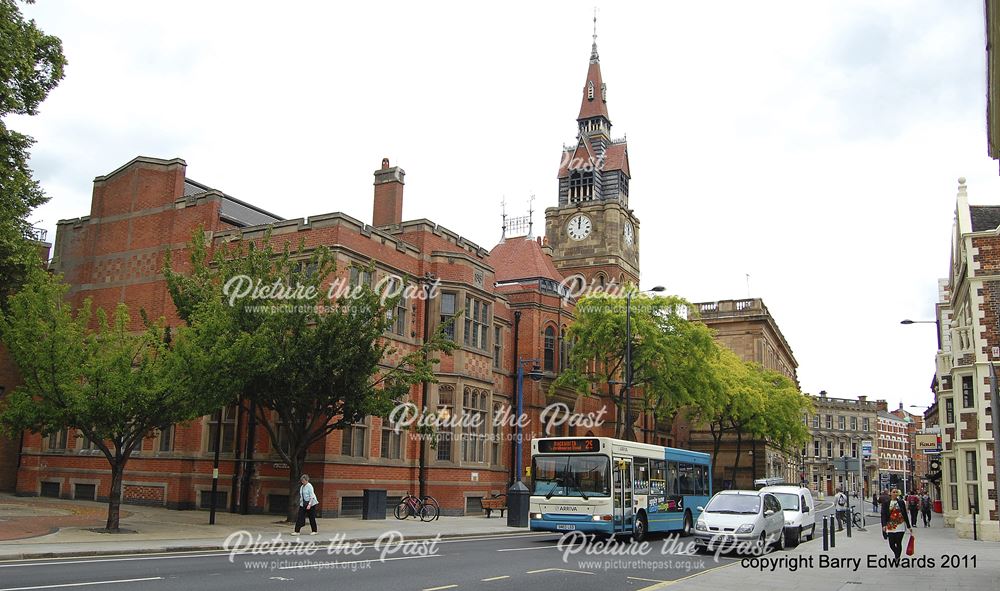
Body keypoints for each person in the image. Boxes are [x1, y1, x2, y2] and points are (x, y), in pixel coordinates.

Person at [881, 488, 914, 560]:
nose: (895, 493)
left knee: (898, 542)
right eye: (893, 492)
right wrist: (883, 525)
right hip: (890, 525)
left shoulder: (901, 502)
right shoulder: (886, 503)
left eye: (896, 492)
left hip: (900, 525)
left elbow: (905, 514)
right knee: (891, 544)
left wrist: (909, 526)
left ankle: (897, 557)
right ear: (890, 493)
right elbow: (883, 514)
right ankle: (897, 553)